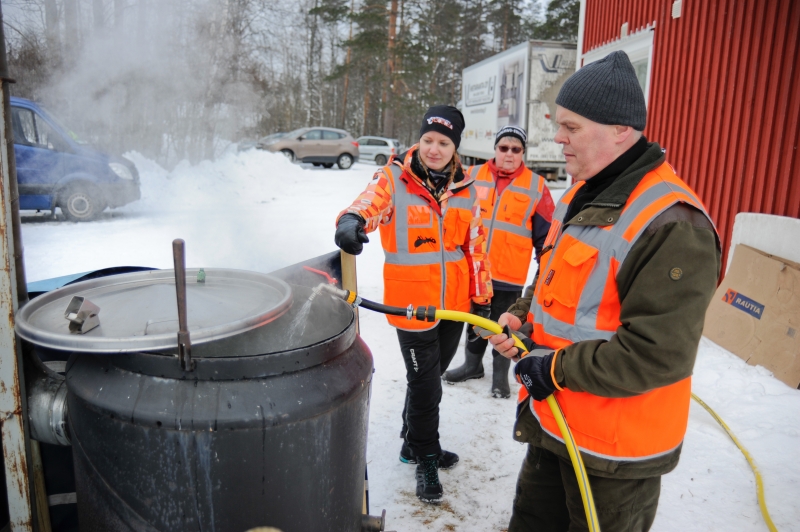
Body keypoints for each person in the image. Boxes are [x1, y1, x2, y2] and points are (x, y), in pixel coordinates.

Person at [488, 51, 721, 531]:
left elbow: (657, 355)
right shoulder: (580, 192)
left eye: (571, 127)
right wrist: (523, 317)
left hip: (615, 453)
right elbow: (555, 278)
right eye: (558, 125)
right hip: (556, 421)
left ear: (620, 129)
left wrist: (552, 367)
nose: (557, 137)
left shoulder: (672, 223)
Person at [334, 105, 492, 504]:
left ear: (455, 147)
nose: (434, 149)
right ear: (418, 140)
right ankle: (425, 455)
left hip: (453, 306)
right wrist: (351, 220)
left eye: (443, 142)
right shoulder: (395, 178)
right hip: (411, 305)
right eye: (427, 140)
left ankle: (411, 442)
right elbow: (369, 202)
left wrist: (482, 299)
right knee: (426, 386)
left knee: (430, 380)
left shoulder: (467, 189)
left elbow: (475, 248)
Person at [442, 126, 554, 398]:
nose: (509, 154)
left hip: (509, 274)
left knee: (504, 325)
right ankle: (472, 365)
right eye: (504, 148)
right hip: (476, 270)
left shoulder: (537, 186)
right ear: (495, 149)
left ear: (523, 153)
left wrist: (545, 267)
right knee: (476, 320)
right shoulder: (473, 176)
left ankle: (501, 377)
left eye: (516, 149)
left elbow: (545, 236)